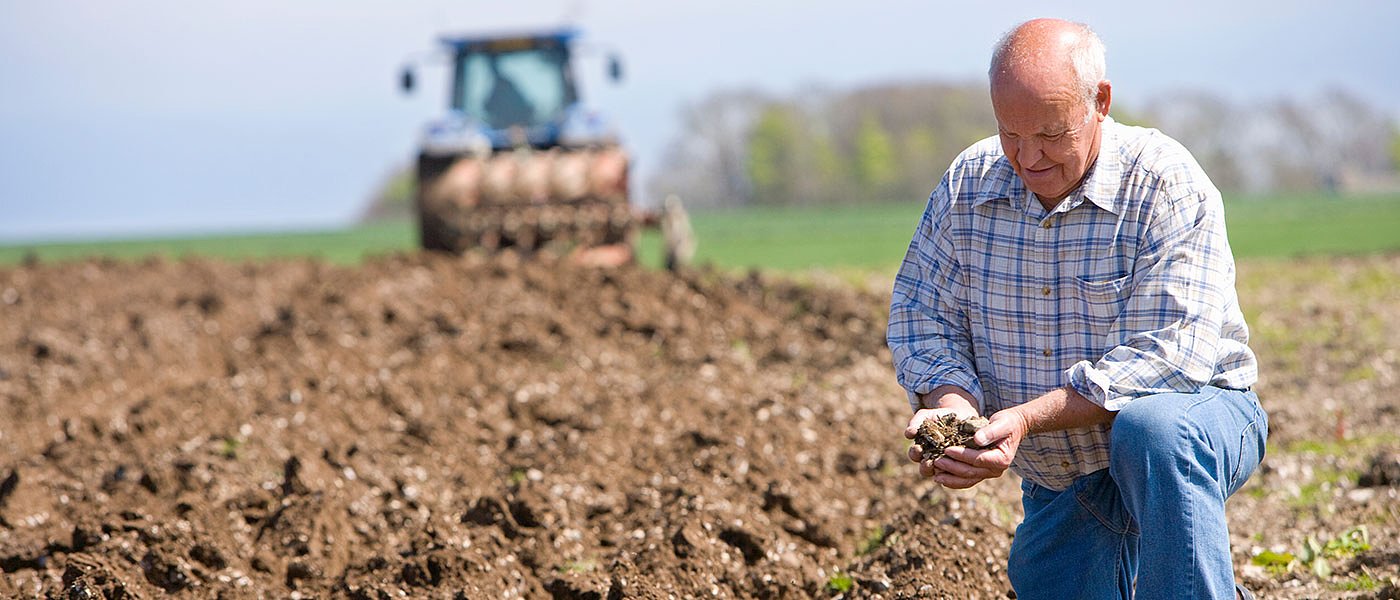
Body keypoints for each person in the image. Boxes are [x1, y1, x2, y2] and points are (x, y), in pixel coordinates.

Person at [887, 18, 1267, 600]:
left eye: (1049, 134)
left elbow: (1171, 359)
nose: (1026, 156)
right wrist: (953, 406)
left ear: (1101, 102)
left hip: (1195, 421)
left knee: (1152, 432)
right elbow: (921, 313)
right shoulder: (968, 185)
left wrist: (1024, 418)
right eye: (1009, 132)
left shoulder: (1164, 183)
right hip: (1061, 473)